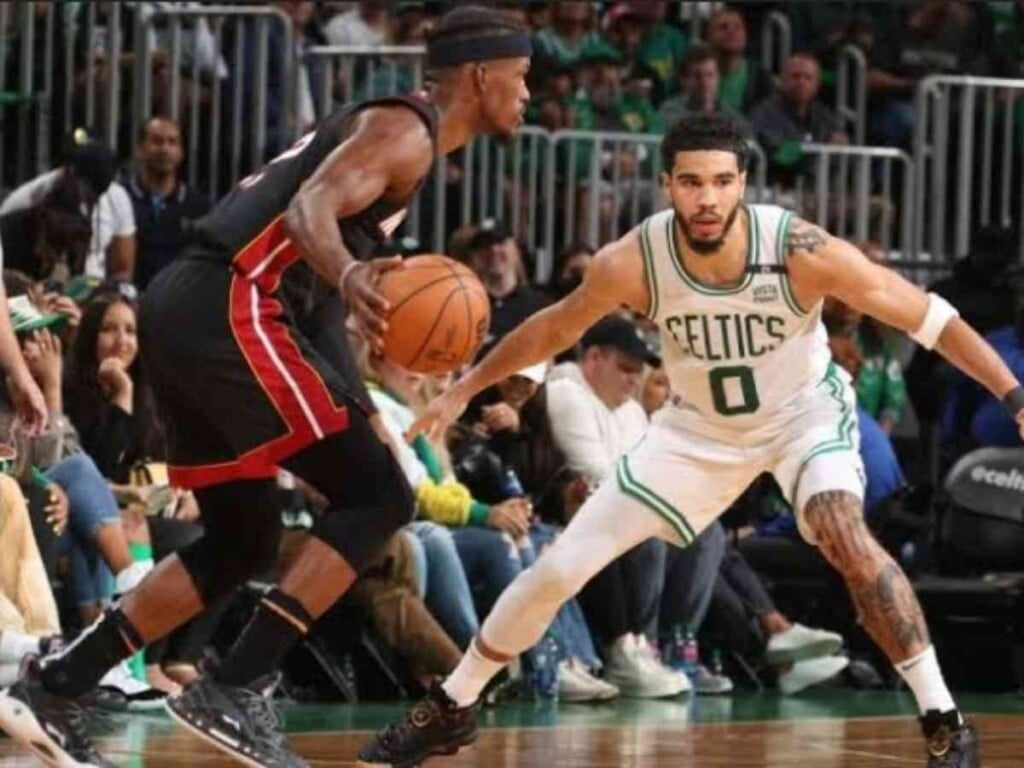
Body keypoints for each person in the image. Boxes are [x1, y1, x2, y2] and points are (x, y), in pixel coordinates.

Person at [358, 113, 1009, 768]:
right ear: (667, 184)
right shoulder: (635, 260)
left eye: (723, 182)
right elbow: (555, 326)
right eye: (692, 182)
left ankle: (944, 720)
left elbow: (934, 320)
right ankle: (452, 705)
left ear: (744, 184)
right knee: (559, 567)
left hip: (801, 417)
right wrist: (464, 386)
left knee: (842, 529)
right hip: (697, 430)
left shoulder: (799, 250)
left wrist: (1012, 394)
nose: (707, 198)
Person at [0, 6, 531, 767]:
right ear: (482, 74)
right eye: (521, 77)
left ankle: (57, 685)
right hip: (230, 302)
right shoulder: (405, 131)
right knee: (380, 496)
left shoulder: (395, 136)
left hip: (191, 310)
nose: (528, 94)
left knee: (243, 539)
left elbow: (312, 305)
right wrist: (349, 272)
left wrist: (358, 406)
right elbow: (309, 209)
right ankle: (235, 687)